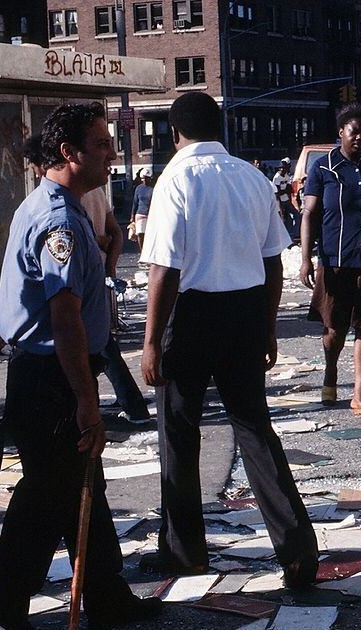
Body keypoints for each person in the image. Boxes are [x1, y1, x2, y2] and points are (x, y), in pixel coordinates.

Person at [0, 103, 161, 630]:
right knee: (44, 496)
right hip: (50, 376)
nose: (112, 153)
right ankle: (6, 612)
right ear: (70, 153)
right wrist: (87, 401)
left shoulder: (59, 204)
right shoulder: (59, 219)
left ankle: (107, 597)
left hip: (58, 369)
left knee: (85, 486)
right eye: (102, 143)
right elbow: (63, 318)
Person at [139, 92, 318, 587]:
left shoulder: (174, 179)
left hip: (192, 311)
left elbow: (164, 269)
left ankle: (185, 549)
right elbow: (271, 261)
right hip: (244, 308)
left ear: (175, 133)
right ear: (220, 129)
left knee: (178, 431)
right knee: (253, 428)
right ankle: (297, 548)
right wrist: (266, 326)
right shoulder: (252, 177)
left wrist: (151, 341)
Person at [22, 135, 151, 426]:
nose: (111, 156)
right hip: (93, 282)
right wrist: (109, 267)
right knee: (103, 344)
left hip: (73, 303)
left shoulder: (59, 213)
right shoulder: (67, 204)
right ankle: (131, 404)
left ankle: (130, 404)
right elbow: (113, 235)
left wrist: (85, 403)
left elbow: (65, 315)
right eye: (102, 144)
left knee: (98, 344)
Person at [299, 104, 361, 417]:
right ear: (341, 134)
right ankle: (330, 371)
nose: (360, 138)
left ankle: (359, 394)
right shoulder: (323, 168)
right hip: (334, 261)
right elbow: (309, 213)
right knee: (334, 328)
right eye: (354, 133)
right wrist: (306, 259)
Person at [130, 168, 153, 254]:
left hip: (151, 215)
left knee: (149, 235)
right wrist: (132, 216)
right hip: (140, 214)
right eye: (143, 178)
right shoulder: (138, 188)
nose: (144, 180)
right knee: (140, 234)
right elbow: (135, 202)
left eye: (146, 178)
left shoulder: (153, 188)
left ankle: (149, 253)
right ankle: (142, 253)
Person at [272, 157, 297, 237]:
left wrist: (287, 193)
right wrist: (280, 208)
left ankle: (295, 233)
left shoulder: (286, 176)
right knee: (284, 219)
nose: (282, 170)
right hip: (280, 202)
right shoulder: (276, 178)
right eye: (281, 168)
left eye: (284, 168)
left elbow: (289, 190)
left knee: (296, 215)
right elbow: (277, 193)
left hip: (287, 200)